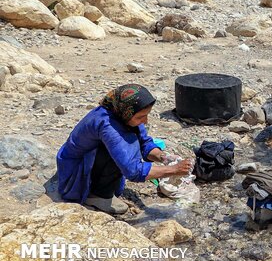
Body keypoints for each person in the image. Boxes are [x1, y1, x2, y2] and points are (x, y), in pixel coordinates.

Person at [56, 84, 193, 214]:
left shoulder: (123, 114)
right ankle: (96, 195)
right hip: (76, 173)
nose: (145, 121)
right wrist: (173, 170)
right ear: (127, 112)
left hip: (90, 160)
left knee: (126, 147)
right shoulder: (107, 126)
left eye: (146, 115)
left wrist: (164, 157)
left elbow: (144, 143)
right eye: (141, 117)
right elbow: (133, 171)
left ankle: (102, 190)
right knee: (119, 153)